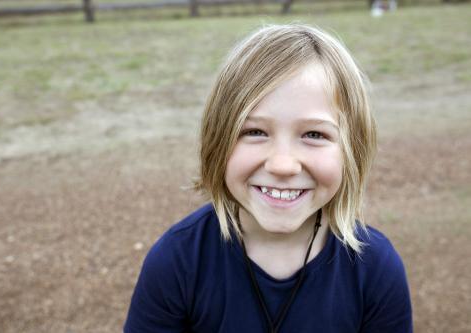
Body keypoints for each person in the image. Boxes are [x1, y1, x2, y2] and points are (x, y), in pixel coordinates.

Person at [123, 24, 412, 333]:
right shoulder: (176, 262)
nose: (283, 165)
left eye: (314, 134)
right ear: (217, 141)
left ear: (352, 150)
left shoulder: (375, 268)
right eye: (255, 132)